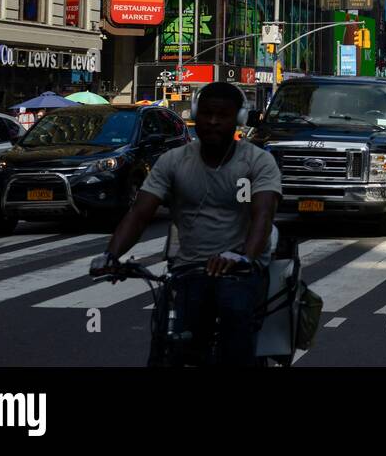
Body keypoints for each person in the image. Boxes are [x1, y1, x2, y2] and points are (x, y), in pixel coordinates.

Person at [90, 81, 282, 366]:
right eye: (206, 113)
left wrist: (244, 257)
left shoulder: (258, 162)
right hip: (189, 268)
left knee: (235, 320)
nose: (213, 121)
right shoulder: (172, 161)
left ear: (239, 119)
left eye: (223, 115)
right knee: (170, 340)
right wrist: (111, 255)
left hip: (240, 269)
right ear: (195, 114)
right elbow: (139, 213)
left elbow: (263, 216)